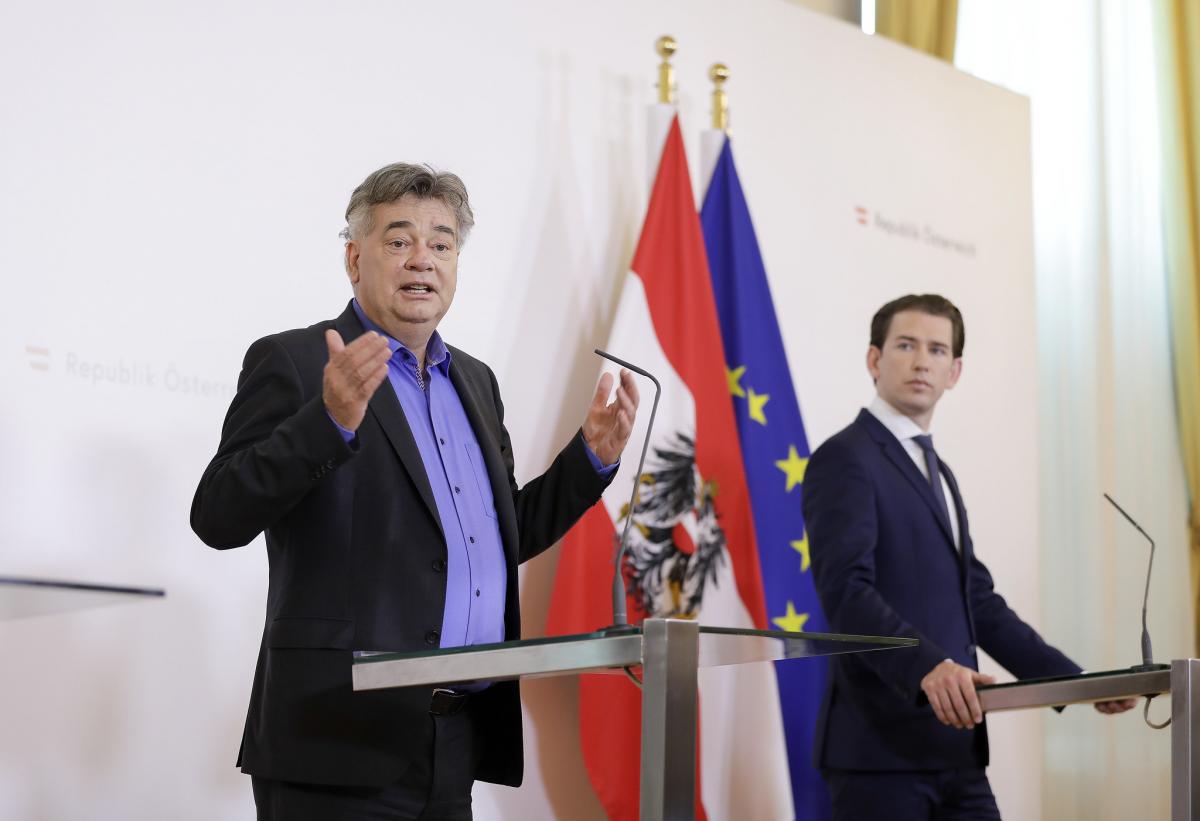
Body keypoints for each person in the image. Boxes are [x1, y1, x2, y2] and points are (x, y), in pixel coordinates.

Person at [190, 162, 639, 820]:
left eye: (442, 242)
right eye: (399, 240)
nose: (421, 259)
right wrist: (328, 421)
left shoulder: (477, 383)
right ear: (354, 258)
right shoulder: (296, 361)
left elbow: (495, 539)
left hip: (453, 739)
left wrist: (590, 460)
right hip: (334, 742)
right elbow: (218, 513)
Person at [802, 294, 1134, 820]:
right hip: (879, 755)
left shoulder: (940, 473)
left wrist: (1074, 681)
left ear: (954, 371)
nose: (920, 362)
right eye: (905, 345)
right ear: (874, 359)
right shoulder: (844, 458)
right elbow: (846, 594)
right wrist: (926, 664)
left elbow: (977, 602)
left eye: (937, 350)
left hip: (958, 750)